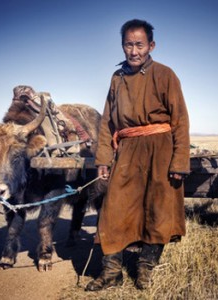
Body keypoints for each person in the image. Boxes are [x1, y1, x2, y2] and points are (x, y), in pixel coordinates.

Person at [85, 19, 190, 291]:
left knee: (158, 210)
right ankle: (111, 273)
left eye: (139, 45)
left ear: (151, 45)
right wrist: (103, 160)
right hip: (128, 150)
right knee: (113, 209)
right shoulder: (117, 78)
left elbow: (180, 119)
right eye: (128, 45)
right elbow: (108, 121)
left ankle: (145, 269)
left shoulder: (166, 74)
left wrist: (179, 161)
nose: (134, 51)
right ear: (122, 46)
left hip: (161, 149)